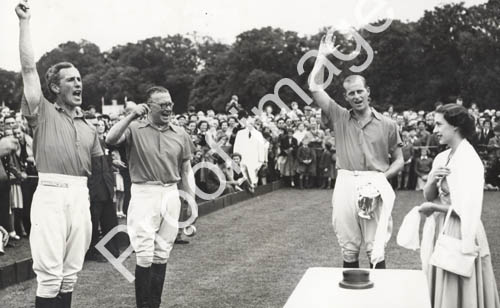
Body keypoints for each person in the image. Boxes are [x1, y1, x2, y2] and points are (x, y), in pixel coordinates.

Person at [16, 1, 104, 306]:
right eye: (71, 79)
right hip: (51, 193)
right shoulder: (42, 113)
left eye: (80, 79)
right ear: (54, 87)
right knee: (50, 277)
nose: (78, 83)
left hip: (80, 197)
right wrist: (24, 23)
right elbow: (28, 69)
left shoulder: (89, 126)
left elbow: (99, 172)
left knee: (70, 276)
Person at [308, 30, 404, 268]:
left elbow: (399, 159)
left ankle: (379, 301)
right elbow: (314, 87)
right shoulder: (339, 117)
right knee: (349, 247)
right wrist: (322, 56)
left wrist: (382, 179)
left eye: (360, 91)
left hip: (374, 181)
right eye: (351, 93)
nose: (357, 96)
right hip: (346, 181)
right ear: (346, 97)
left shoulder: (388, 124)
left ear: (368, 91)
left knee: (375, 248)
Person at [106, 86, 197, 308]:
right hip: (144, 192)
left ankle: (153, 305)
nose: (168, 108)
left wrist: (191, 200)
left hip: (171, 192)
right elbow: (110, 138)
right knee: (144, 254)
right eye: (162, 104)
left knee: (162, 252)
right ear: (149, 107)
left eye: (170, 104)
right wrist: (131, 115)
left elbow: (186, 169)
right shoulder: (135, 128)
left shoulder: (180, 133)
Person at [418, 104, 499, 308]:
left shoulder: (469, 160)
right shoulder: (442, 157)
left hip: (461, 229)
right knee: (439, 280)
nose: (434, 130)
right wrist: (431, 181)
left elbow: (468, 209)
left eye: (438, 124)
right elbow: (429, 196)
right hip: (441, 228)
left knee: (456, 282)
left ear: (455, 127)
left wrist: (435, 208)